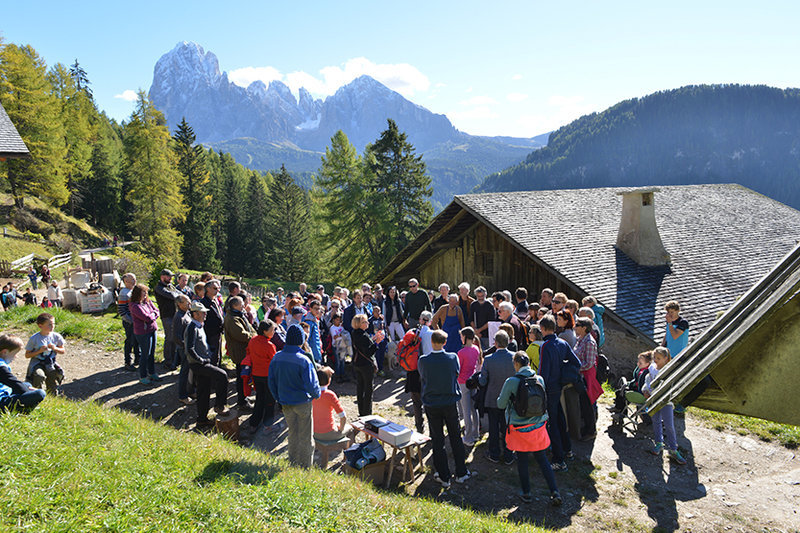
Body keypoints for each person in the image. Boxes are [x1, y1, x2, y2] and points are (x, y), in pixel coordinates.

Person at [497, 351, 562, 506]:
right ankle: (554, 491)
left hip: (519, 427)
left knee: (523, 460)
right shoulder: (539, 379)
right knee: (542, 459)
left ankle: (526, 493)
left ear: (516, 364)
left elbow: (500, 404)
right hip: (538, 425)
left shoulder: (511, 381)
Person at [418, 329, 475, 488]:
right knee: (455, 437)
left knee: (437, 439)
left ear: (431, 342)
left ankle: (443, 475)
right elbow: (456, 373)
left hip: (432, 403)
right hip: (449, 402)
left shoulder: (423, 360)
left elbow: (423, 377)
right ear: (444, 343)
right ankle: (461, 472)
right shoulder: (452, 358)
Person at [268, 323, 321, 468]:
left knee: (292, 433)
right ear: (301, 340)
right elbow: (312, 384)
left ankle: (292, 462)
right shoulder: (304, 360)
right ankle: (304, 467)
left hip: (285, 402)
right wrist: (317, 394)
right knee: (306, 436)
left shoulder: (276, 357)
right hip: (302, 402)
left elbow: (271, 381)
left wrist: (278, 397)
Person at [184, 300, 229, 428]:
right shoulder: (192, 327)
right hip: (199, 365)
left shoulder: (199, 325)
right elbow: (189, 349)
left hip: (203, 362)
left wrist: (209, 351)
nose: (205, 315)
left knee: (203, 391)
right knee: (222, 375)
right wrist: (201, 360)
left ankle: (201, 420)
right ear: (195, 314)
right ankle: (220, 406)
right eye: (203, 313)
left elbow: (201, 344)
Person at [538, 315, 575, 471]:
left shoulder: (546, 346)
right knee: (560, 418)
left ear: (544, 329)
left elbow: (543, 372)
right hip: (559, 386)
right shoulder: (563, 343)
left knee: (553, 422)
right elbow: (576, 363)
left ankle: (558, 459)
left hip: (549, 388)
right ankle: (567, 449)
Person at [643, 347, 687, 465]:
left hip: (665, 401)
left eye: (658, 358)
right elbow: (648, 380)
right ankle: (659, 443)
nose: (655, 360)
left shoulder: (669, 371)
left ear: (666, 359)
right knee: (656, 421)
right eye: (654, 358)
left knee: (669, 425)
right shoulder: (652, 368)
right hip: (653, 399)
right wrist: (645, 390)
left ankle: (673, 449)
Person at [479, 330, 516, 464]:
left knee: (493, 428)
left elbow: (483, 381)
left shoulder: (488, 359)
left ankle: (494, 453)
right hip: (510, 398)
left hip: (493, 398)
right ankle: (508, 454)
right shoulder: (514, 357)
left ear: (495, 343)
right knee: (508, 427)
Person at [241, 319, 277, 432]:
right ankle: (268, 425)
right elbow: (274, 361)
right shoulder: (269, 345)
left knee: (260, 397)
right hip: (267, 376)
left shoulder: (253, 340)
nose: (274, 332)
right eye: (272, 330)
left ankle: (254, 423)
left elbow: (248, 352)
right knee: (270, 400)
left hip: (256, 374)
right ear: (265, 331)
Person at [574, 317, 604, 440]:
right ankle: (586, 428)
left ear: (584, 328)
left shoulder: (589, 342)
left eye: (577, 325)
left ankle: (591, 431)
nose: (575, 327)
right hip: (581, 376)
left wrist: (576, 368)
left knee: (588, 404)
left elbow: (589, 363)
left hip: (586, 377)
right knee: (583, 403)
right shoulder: (580, 339)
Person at [224, 296, 256, 411]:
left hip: (244, 351)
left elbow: (250, 328)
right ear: (235, 305)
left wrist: (254, 334)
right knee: (242, 377)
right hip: (239, 353)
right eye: (242, 303)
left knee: (245, 376)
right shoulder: (232, 318)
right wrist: (254, 337)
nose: (244, 305)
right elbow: (241, 334)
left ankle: (244, 397)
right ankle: (241, 402)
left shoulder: (239, 314)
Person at [0, 334, 45, 412]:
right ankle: (21, 410)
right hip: (2, 401)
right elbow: (12, 381)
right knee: (40, 393)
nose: (16, 357)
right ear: (5, 352)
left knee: (28, 385)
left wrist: (26, 387)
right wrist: (27, 392)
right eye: (15, 354)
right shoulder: (1, 367)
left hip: (5, 392)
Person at [24, 313, 65, 394]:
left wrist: (55, 348)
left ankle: (52, 394)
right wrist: (39, 351)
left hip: (50, 363)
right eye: (49, 325)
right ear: (40, 326)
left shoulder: (57, 337)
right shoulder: (34, 338)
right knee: (39, 376)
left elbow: (63, 351)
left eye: (53, 324)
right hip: (37, 362)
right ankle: (36, 394)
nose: (52, 326)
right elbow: (27, 355)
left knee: (52, 375)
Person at [351, 313, 383, 416]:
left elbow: (363, 346)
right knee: (368, 390)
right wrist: (377, 343)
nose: (367, 323)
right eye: (364, 322)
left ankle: (361, 412)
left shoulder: (355, 333)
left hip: (357, 363)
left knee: (360, 388)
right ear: (358, 324)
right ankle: (367, 414)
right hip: (365, 365)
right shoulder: (363, 335)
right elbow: (369, 352)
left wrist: (373, 340)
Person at [129, 284, 161, 385]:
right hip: (143, 333)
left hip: (152, 330)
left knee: (151, 354)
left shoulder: (147, 302)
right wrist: (153, 315)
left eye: (146, 292)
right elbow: (147, 318)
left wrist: (153, 315)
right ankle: (143, 376)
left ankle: (152, 373)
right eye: (144, 292)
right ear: (138, 293)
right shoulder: (135, 306)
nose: (145, 294)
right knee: (145, 354)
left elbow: (156, 311)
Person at [457, 327, 481, 446]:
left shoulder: (461, 353)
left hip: (463, 382)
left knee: (466, 411)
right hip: (473, 381)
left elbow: (458, 369)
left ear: (466, 337)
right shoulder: (476, 348)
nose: (460, 338)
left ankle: (468, 437)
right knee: (473, 409)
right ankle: (476, 434)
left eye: (461, 336)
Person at [312, 367, 351, 440]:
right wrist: (340, 430)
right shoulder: (330, 395)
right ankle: (350, 450)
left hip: (314, 432)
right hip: (328, 432)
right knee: (351, 429)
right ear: (329, 380)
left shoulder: (311, 393)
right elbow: (343, 416)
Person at [154, 269, 181, 371]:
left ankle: (174, 360)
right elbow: (173, 295)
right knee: (169, 339)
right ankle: (168, 362)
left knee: (175, 338)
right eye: (168, 276)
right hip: (167, 316)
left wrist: (180, 295)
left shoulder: (170, 286)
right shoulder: (159, 288)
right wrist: (180, 295)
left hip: (174, 315)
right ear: (162, 277)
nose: (170, 278)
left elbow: (179, 292)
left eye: (171, 277)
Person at [172, 294, 195, 405]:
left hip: (189, 348)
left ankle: (190, 391)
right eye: (186, 302)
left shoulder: (187, 313)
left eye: (189, 301)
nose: (189, 304)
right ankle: (183, 396)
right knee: (184, 372)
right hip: (184, 349)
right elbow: (176, 337)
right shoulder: (178, 317)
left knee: (191, 372)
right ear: (179, 304)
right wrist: (186, 348)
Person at [117, 273, 140, 371]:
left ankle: (138, 359)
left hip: (135, 321)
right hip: (129, 322)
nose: (134, 281)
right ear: (126, 282)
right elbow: (122, 311)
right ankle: (128, 362)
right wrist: (131, 321)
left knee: (136, 341)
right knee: (130, 341)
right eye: (132, 280)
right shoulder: (124, 293)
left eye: (135, 279)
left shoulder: (132, 291)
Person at [200, 280, 224, 365]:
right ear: (208, 289)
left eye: (218, 288)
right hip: (210, 333)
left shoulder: (215, 300)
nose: (217, 290)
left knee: (217, 355)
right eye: (215, 288)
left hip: (217, 332)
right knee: (212, 355)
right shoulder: (204, 302)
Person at [470, 286, 497, 351]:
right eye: (478, 296)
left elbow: (490, 322)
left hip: (486, 335)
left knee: (487, 351)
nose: (480, 298)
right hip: (476, 334)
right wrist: (475, 331)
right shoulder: (473, 304)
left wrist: (479, 330)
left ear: (485, 295)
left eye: (482, 296)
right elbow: (471, 319)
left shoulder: (490, 306)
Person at [368, 304, 388, 377]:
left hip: (382, 341)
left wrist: (386, 338)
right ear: (373, 312)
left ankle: (380, 369)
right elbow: (368, 331)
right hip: (375, 341)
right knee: (376, 355)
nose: (378, 313)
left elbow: (384, 329)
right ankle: (374, 371)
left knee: (381, 355)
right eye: (376, 311)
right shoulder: (370, 320)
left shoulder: (382, 320)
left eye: (379, 311)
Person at [303, 300, 324, 364]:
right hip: (312, 352)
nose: (317, 311)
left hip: (317, 350)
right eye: (315, 308)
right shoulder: (309, 321)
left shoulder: (315, 320)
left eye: (319, 309)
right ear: (310, 308)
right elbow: (307, 339)